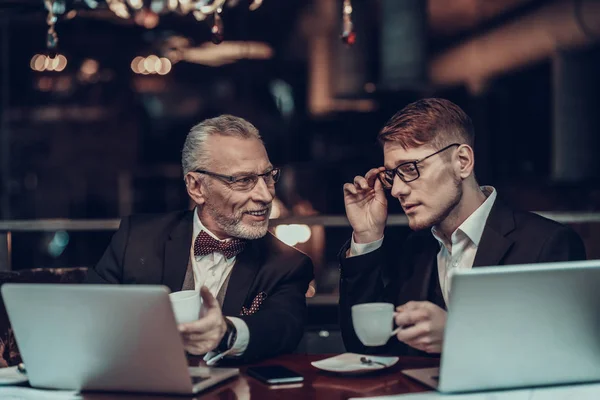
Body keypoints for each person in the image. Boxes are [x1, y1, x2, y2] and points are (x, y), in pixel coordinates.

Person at [339, 98, 586, 356]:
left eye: (411, 168)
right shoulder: (414, 251)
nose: (398, 190)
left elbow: (563, 353)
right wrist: (367, 236)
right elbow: (366, 346)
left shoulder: (547, 244)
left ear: (463, 161)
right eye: (392, 175)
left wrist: (457, 335)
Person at [86, 115, 314, 363]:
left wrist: (226, 333)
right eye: (243, 180)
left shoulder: (288, 264)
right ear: (196, 187)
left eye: (268, 176)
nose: (265, 195)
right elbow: (87, 315)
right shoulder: (137, 238)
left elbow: (282, 328)